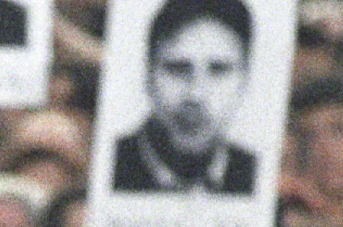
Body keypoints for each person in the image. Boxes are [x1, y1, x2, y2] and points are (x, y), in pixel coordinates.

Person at [110, 0, 262, 195]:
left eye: (218, 70)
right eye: (177, 69)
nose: (195, 95)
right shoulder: (108, 166)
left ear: (245, 78)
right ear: (148, 75)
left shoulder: (257, 176)